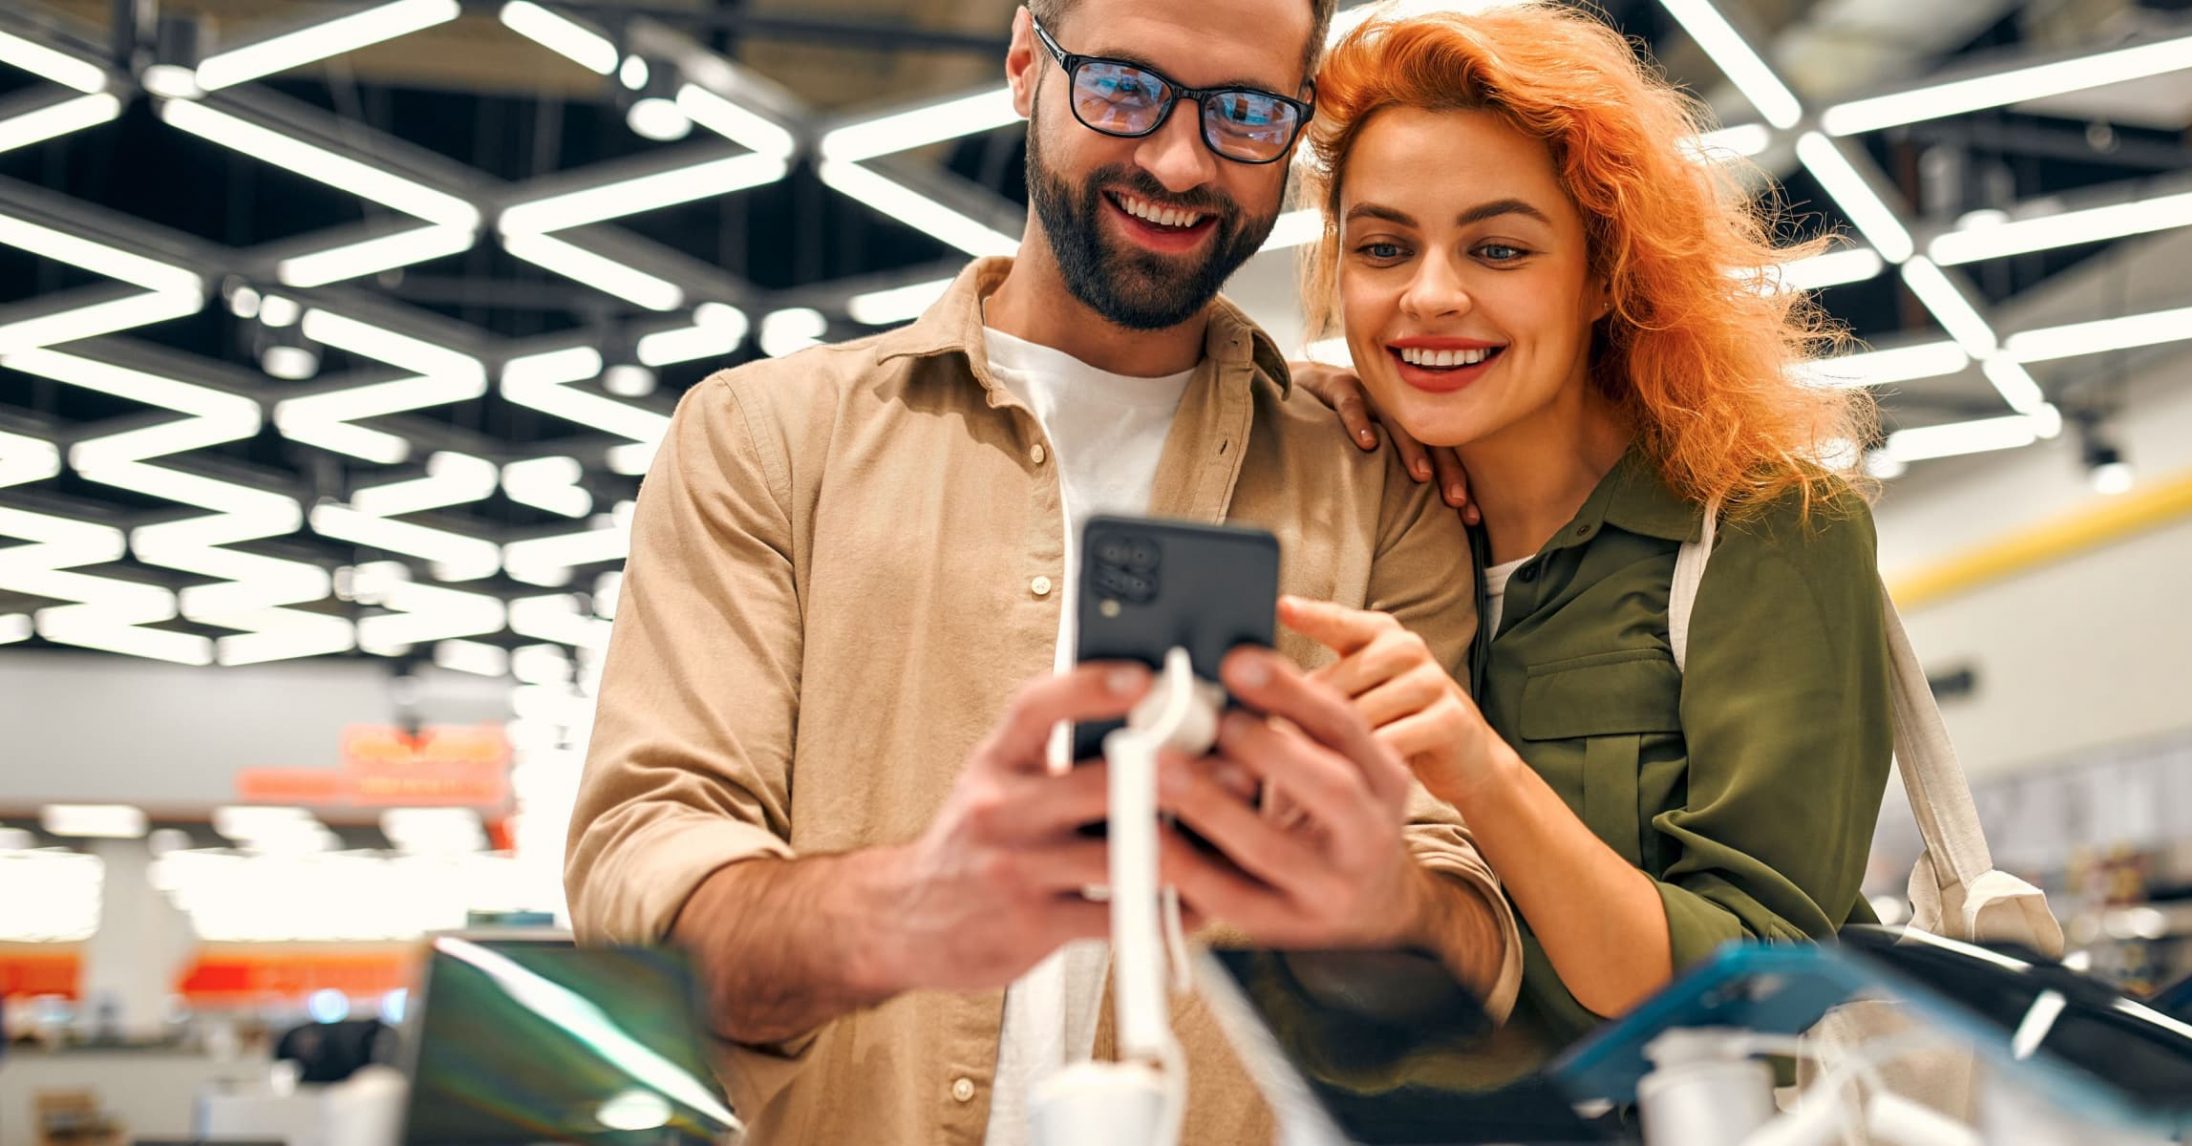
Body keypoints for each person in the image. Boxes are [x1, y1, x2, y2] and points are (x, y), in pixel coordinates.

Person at [562, 0, 1523, 1141]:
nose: (1178, 159)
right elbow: (640, 876)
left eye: (1245, 113)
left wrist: (1383, 909)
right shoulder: (769, 438)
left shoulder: (1376, 485)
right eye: (1122, 87)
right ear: (1027, 65)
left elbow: (1466, 928)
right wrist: (907, 911)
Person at [1282, 2, 1894, 1043]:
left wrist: (1482, 773)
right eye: (1383, 248)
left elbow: (1765, 980)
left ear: (1603, 273)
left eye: (1499, 251)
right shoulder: (1363, 518)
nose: (1427, 296)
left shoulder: (1766, 534)